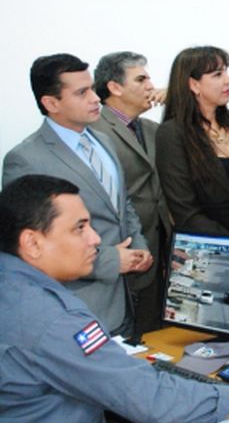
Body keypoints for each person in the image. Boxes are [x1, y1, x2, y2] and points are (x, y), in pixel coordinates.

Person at [0, 174, 229, 423]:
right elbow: (152, 401)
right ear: (32, 243)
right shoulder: (53, 319)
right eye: (79, 228)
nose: (96, 239)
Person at [2, 53, 152, 336]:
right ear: (51, 103)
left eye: (93, 89)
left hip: (125, 301)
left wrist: (139, 246)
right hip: (78, 308)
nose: (96, 99)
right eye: (82, 93)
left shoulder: (103, 140)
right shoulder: (26, 159)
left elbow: (122, 202)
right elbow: (29, 247)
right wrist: (109, 260)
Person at [91, 51, 173, 335]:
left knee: (158, 330)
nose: (151, 85)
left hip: (163, 246)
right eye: (141, 79)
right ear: (115, 87)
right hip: (125, 247)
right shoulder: (93, 130)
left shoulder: (152, 128)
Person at [156, 46, 229, 234]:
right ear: (193, 84)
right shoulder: (172, 134)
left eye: (226, 72)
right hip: (216, 249)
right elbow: (185, 212)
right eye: (217, 74)